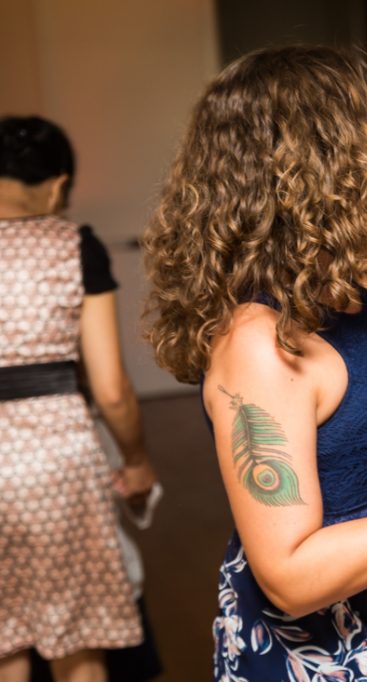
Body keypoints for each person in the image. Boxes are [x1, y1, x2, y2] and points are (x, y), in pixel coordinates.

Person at [141, 46, 367, 680]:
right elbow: (291, 577)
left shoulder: (322, 291)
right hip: (332, 649)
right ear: (306, 162)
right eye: (365, 132)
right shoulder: (256, 346)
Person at [0, 116, 158, 681]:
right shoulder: (73, 244)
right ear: (57, 184)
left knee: (4, 644)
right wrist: (136, 460)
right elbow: (111, 387)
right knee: (79, 643)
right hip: (55, 463)